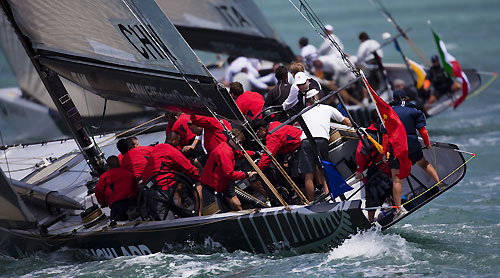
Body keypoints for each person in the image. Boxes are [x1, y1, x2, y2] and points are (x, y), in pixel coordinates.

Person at [383, 89, 441, 217]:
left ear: (394, 100)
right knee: (424, 163)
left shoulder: (388, 112)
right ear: (407, 98)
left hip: (396, 147)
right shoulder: (415, 111)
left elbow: (385, 136)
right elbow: (423, 132)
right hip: (412, 145)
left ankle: (398, 209)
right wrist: (427, 144)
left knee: (397, 180)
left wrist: (384, 152)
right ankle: (439, 182)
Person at [299, 89, 352, 201]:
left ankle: (312, 201)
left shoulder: (303, 112)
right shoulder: (328, 108)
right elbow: (346, 121)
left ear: (308, 101)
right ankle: (328, 191)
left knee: (308, 174)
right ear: (317, 97)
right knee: (325, 167)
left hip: (306, 140)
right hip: (322, 139)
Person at [141, 131, 202, 217]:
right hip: (161, 189)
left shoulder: (157, 148)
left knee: (161, 217)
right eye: (178, 141)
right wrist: (202, 176)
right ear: (173, 140)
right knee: (168, 220)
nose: (179, 143)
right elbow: (188, 168)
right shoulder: (172, 152)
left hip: (147, 187)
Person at [200, 129, 257, 211]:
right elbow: (229, 174)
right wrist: (246, 174)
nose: (240, 145)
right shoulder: (225, 152)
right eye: (239, 142)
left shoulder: (228, 146)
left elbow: (239, 153)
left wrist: (254, 154)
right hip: (214, 184)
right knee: (220, 208)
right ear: (231, 138)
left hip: (221, 181)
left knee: (232, 203)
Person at [355, 112, 392, 223]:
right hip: (391, 167)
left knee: (372, 196)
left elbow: (361, 154)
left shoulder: (367, 135)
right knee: (390, 188)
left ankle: (370, 221)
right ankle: (393, 207)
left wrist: (359, 170)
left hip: (377, 170)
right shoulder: (391, 130)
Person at [95, 156, 138, 221]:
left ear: (108, 166)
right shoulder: (128, 173)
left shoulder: (104, 177)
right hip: (133, 203)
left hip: (117, 206)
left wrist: (102, 203)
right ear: (119, 163)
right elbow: (136, 188)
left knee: (116, 223)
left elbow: (98, 190)